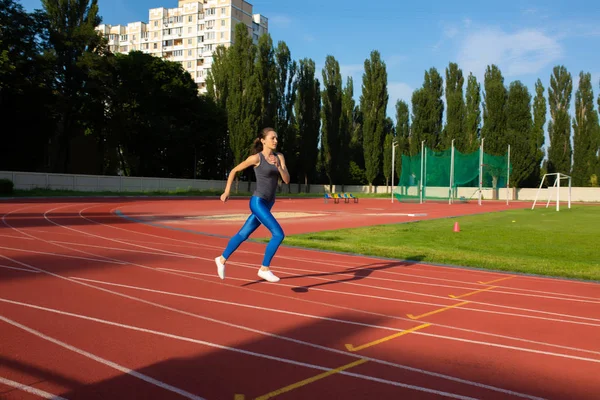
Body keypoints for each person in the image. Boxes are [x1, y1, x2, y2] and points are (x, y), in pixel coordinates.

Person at [214, 127, 290, 283]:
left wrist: (279, 167)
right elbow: (234, 170)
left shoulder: (279, 157)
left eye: (276, 138)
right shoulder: (256, 158)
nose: (276, 141)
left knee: (243, 234)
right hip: (258, 202)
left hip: (269, 203)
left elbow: (287, 179)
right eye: (272, 138)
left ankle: (221, 259)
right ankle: (264, 269)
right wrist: (227, 191)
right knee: (278, 234)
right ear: (263, 141)